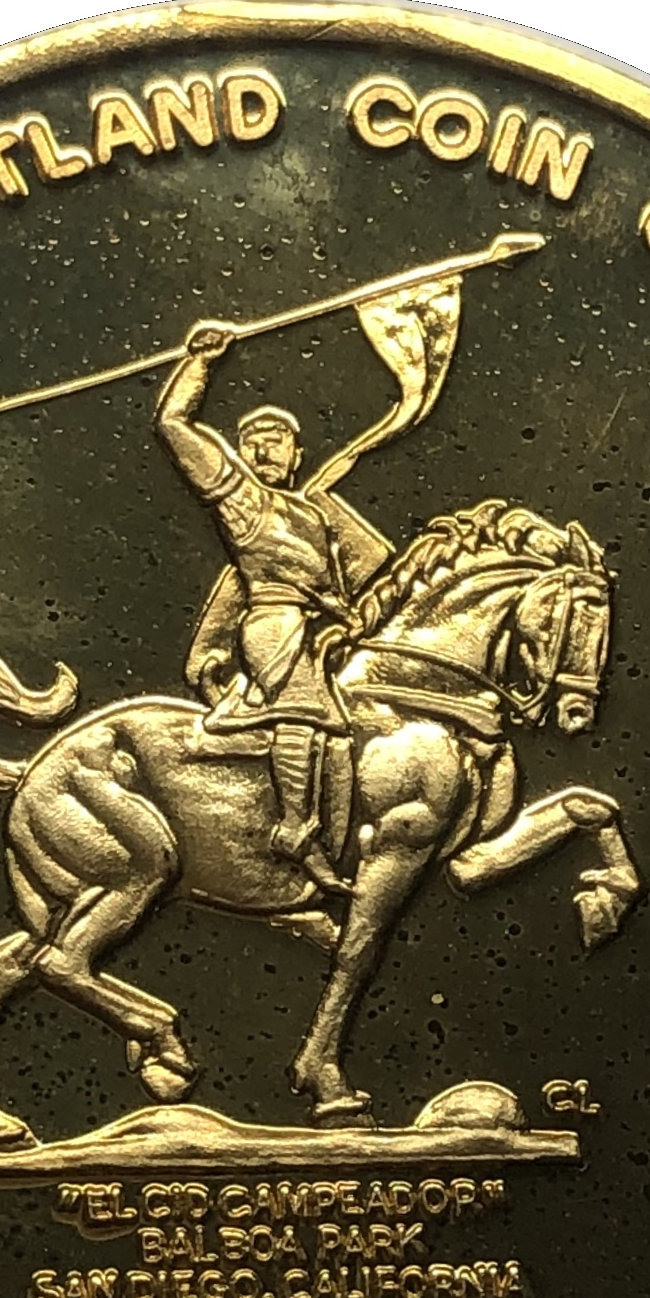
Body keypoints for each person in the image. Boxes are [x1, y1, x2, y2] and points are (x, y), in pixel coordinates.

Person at [155, 318, 389, 895]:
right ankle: (293, 832)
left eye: (276, 438)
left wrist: (347, 616)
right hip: (272, 622)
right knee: (301, 714)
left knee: (353, 721)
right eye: (252, 439)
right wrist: (199, 362)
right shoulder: (243, 501)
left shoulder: (313, 517)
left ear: (296, 453)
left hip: (316, 626)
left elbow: (329, 587)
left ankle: (340, 828)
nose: (262, 447)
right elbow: (172, 424)